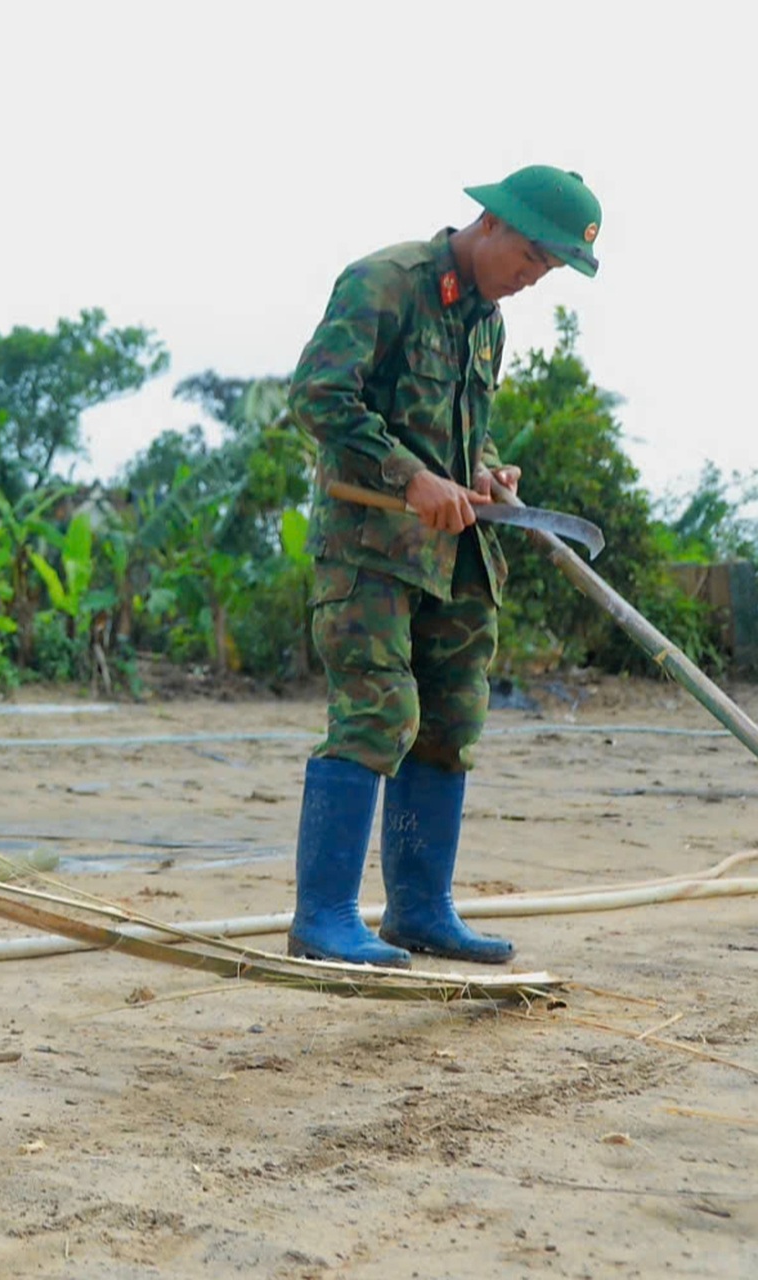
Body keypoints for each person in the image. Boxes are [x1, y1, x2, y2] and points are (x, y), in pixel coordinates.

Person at [285, 166, 602, 967]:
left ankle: (421, 911)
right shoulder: (384, 284)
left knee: (451, 723)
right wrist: (408, 475)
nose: (533, 280)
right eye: (531, 259)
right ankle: (323, 918)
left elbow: (467, 432)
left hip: (458, 558)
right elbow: (319, 397)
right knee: (378, 714)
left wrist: (488, 474)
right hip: (372, 553)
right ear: (491, 224)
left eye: (549, 271)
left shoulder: (488, 322)